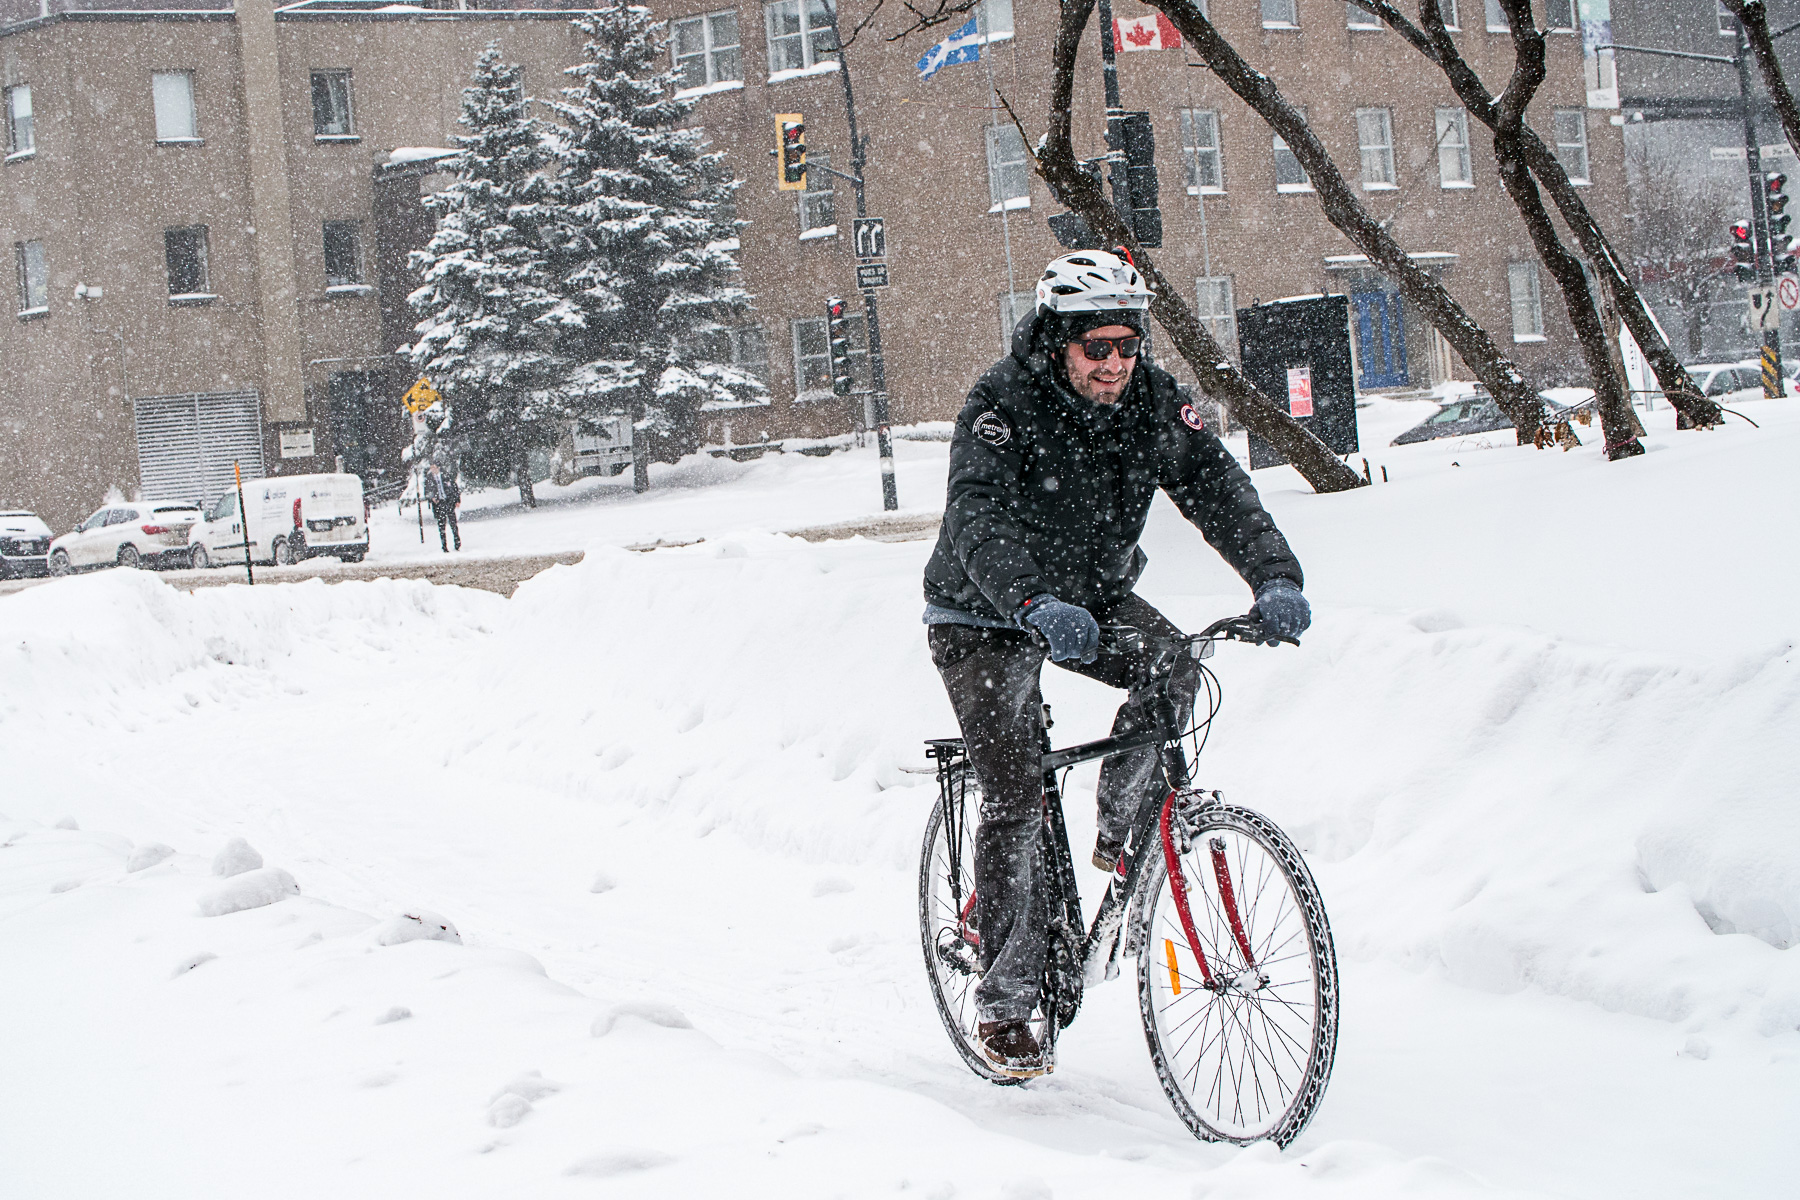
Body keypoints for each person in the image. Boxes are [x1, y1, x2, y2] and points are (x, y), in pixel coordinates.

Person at [921, 250, 1310, 1079]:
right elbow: (976, 516)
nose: (1114, 365)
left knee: (1174, 668)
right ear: (1060, 344)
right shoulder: (1002, 403)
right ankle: (1008, 997)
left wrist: (1276, 577)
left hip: (1090, 597)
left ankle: (1117, 829)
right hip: (984, 613)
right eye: (1096, 348)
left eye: (1127, 347)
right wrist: (1029, 604)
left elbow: (1219, 487)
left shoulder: (1154, 404)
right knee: (1016, 793)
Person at [424, 459, 461, 552]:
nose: (432, 469)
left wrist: (456, 499)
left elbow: (454, 488)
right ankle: (444, 545)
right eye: (431, 468)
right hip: (438, 504)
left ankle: (457, 542)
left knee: (453, 523)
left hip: (448, 502)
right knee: (441, 525)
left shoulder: (446, 475)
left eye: (434, 467)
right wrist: (431, 498)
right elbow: (427, 491)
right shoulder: (429, 478)